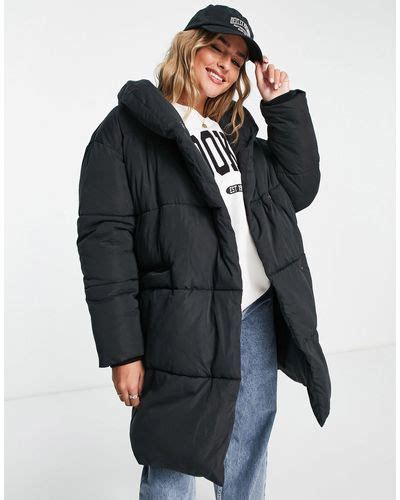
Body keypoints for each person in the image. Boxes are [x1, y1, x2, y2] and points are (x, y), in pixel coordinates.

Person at [76, 4, 331, 499]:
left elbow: (297, 190)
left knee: (248, 447)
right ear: (189, 46)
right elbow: (105, 247)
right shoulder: (124, 132)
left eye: (237, 60)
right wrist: (124, 351)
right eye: (217, 48)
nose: (225, 65)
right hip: (180, 321)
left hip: (253, 313)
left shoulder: (235, 130)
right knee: (173, 452)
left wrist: (279, 105)